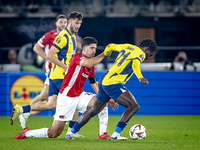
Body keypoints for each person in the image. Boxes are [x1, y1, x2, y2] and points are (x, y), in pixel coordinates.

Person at [13, 37, 117, 139]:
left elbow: (94, 83)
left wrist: (107, 98)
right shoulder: (78, 57)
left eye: (95, 48)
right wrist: (104, 53)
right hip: (66, 98)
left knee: (102, 101)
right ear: (84, 48)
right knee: (54, 133)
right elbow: (89, 63)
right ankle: (26, 133)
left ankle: (102, 133)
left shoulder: (91, 66)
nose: (94, 51)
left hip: (79, 96)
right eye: (91, 48)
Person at [64, 38, 158, 141]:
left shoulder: (127, 46)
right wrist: (140, 77)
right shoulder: (141, 53)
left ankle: (71, 133)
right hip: (113, 82)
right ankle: (115, 135)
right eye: (150, 54)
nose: (148, 57)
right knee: (134, 106)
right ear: (147, 48)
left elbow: (110, 46)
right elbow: (135, 64)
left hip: (104, 79)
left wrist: (107, 53)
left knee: (94, 110)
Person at [10, 12, 85, 137]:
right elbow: (50, 54)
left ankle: (21, 109)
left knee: (50, 105)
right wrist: (65, 66)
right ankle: (71, 132)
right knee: (75, 100)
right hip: (61, 76)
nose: (78, 26)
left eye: (80, 23)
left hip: (55, 76)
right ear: (70, 22)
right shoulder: (63, 36)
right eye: (76, 23)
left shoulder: (72, 36)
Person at [16, 14, 68, 129]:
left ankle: (25, 110)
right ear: (56, 23)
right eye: (61, 22)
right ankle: (65, 120)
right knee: (65, 94)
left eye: (65, 22)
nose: (63, 24)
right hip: (53, 70)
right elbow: (36, 47)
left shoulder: (69, 36)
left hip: (62, 69)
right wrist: (46, 57)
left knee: (44, 95)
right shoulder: (50, 35)